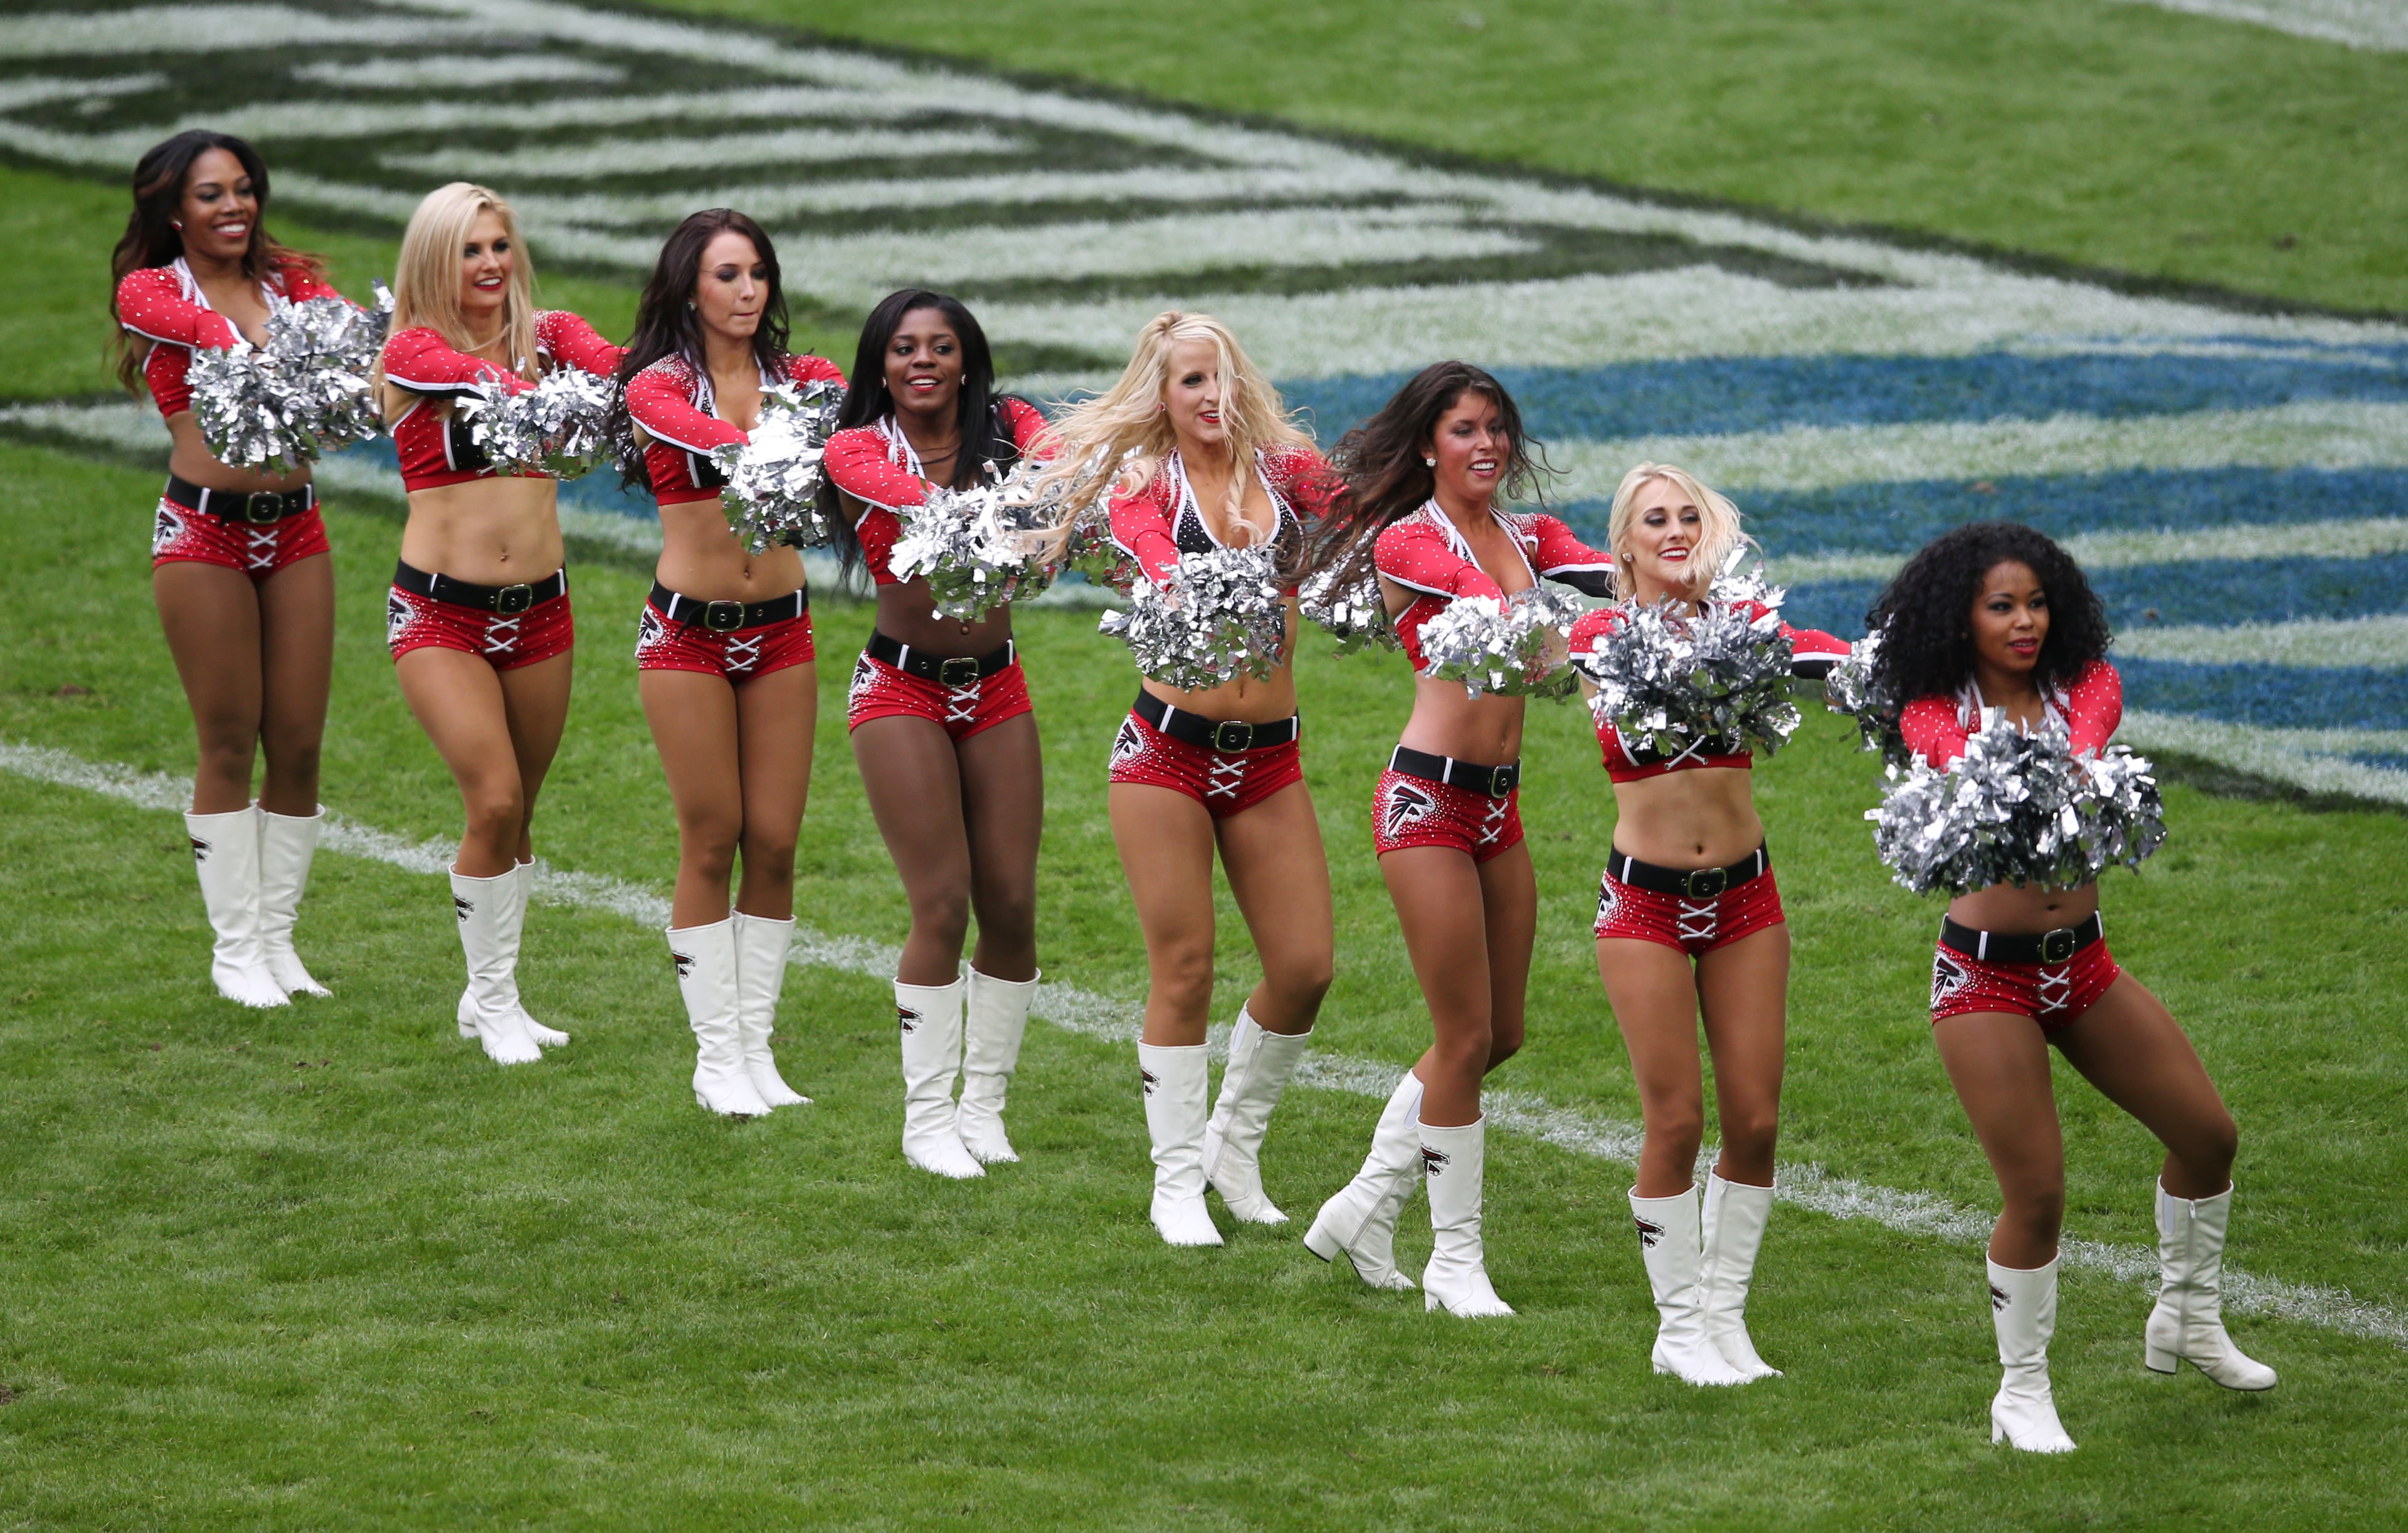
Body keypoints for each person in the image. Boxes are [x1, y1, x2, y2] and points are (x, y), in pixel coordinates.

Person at [1869, 520, 2274, 1452]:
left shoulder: (2085, 687)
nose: (2026, 622)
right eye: (2001, 606)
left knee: (2209, 1136)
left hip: (2083, 966)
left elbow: (2088, 736)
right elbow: (1950, 759)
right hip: (1985, 978)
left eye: (2038, 603)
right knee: (2039, 1194)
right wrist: (2016, 763)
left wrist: (2066, 761)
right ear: (1960, 618)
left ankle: (2187, 1317)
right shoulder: (1932, 712)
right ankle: (2021, 1393)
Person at [1303, 361, 1613, 1313]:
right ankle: (1455, 1262)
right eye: (1464, 429)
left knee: (1501, 1033)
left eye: (1495, 428)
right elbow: (1490, 605)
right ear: (1428, 446)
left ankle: (1363, 1204)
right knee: (1465, 1034)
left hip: (1498, 809)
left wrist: (1684, 590)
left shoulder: (1531, 537)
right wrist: (1583, 634)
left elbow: (1617, 578)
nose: (1486, 445)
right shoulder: (1412, 541)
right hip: (1427, 804)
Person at [1032, 312, 1348, 1245]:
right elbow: (1147, 549)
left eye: (1224, 377)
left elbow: (1371, 511)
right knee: (1185, 967)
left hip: (1270, 759)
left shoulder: (1286, 472)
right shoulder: (1146, 484)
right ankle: (1175, 1182)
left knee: (1305, 968)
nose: (1214, 396)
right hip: (1167, 754)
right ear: (1162, 396)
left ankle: (1230, 1150)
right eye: (1192, 381)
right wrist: (1172, 578)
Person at [1565, 465, 1848, 1383]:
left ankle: (1725, 1321)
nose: (1677, 531)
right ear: (1625, 545)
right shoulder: (1601, 636)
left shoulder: (1746, 628)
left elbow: (1819, 654)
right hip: (1643, 903)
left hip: (1745, 899)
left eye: (1691, 516)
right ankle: (1677, 1328)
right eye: (1656, 520)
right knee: (1678, 1119)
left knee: (1756, 1120)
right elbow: (1643, 667)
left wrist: (1889, 667)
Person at [376, 182, 620, 1065]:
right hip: (440, 613)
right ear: (433, 261)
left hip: (541, 611)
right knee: (495, 799)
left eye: (498, 246)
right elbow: (474, 382)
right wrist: (550, 394)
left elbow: (617, 366)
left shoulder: (551, 336)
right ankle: (492, 1001)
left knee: (520, 814)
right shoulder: (413, 350)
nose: (489, 264)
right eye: (469, 250)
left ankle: (494, 997)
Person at [111, 130, 347, 1008]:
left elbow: (349, 344)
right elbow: (202, 329)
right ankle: (235, 950)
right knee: (227, 739)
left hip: (295, 529)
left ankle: (279, 943)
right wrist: (241, 331)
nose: (234, 206)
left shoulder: (293, 282)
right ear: (174, 211)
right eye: (211, 194)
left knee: (299, 742)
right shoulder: (151, 290)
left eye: (243, 189)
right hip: (203, 535)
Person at [820, 290, 1050, 1176]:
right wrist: (1016, 507)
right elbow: (920, 505)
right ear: (881, 365)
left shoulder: (1011, 424)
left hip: (997, 687)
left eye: (941, 346)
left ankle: (983, 1109)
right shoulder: (856, 448)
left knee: (1014, 906)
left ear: (965, 360)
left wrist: (1044, 488)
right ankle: (926, 1121)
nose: (923, 361)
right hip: (900, 688)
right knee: (943, 903)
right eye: (905, 347)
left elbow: (1060, 466)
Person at [619, 210, 841, 1115]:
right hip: (688, 636)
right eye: (726, 275)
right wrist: (765, 446)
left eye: (757, 273)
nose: (748, 291)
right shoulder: (658, 387)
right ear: (689, 288)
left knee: (777, 842)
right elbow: (696, 433)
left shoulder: (809, 380)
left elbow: (863, 432)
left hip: (783, 631)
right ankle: (717, 1057)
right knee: (713, 836)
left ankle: (756, 1046)